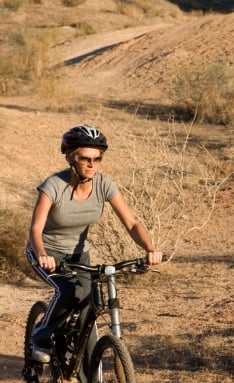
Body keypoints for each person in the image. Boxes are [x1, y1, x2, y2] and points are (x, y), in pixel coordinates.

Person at [26, 124, 162, 365]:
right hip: (46, 251)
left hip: (79, 257)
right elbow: (36, 229)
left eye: (97, 159)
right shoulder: (53, 186)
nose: (92, 165)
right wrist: (43, 254)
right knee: (68, 291)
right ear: (70, 157)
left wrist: (149, 249)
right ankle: (41, 336)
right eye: (85, 159)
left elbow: (131, 223)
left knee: (89, 312)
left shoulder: (104, 185)